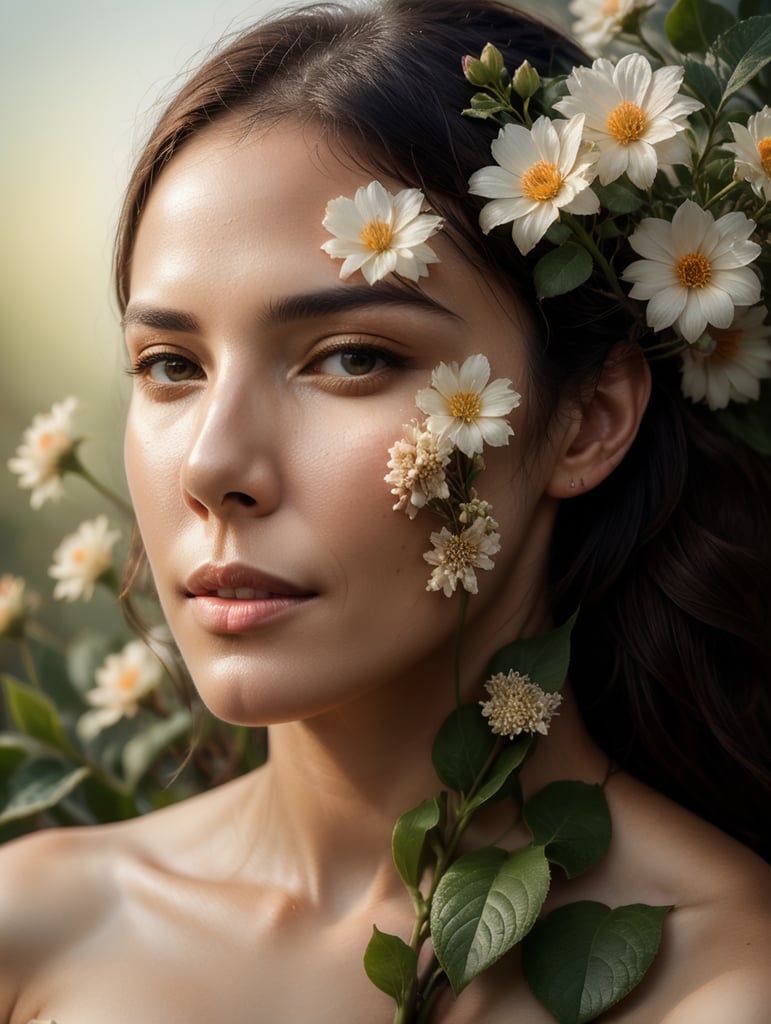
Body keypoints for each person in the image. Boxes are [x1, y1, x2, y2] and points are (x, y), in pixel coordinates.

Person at [1, 0, 770, 1020]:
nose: (215, 465)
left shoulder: (718, 978)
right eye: (171, 365)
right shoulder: (34, 927)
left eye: (352, 358)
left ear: (589, 417)